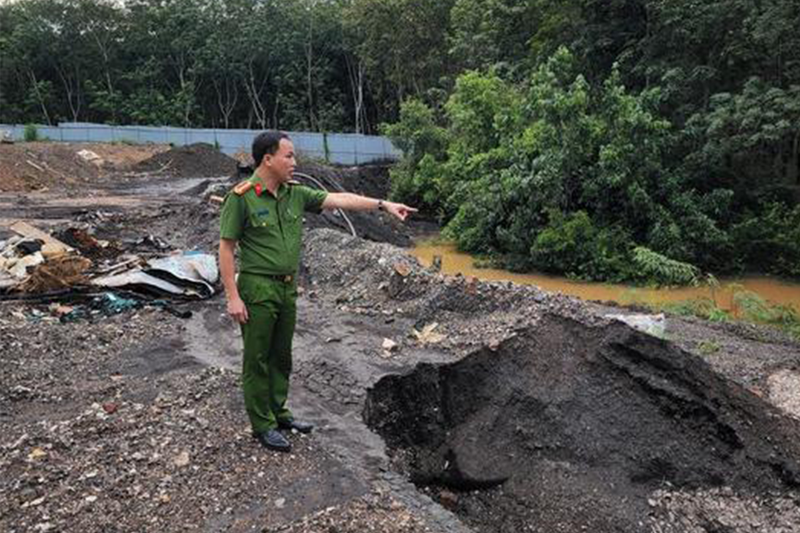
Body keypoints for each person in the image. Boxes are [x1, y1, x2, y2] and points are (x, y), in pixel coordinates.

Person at [219, 131, 416, 452]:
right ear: (267, 159)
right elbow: (226, 249)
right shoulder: (241, 198)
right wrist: (232, 296)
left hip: (286, 287)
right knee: (258, 359)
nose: (294, 163)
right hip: (256, 287)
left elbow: (340, 199)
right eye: (289, 156)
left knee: (282, 355)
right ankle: (262, 425)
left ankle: (279, 412)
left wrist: (383, 205)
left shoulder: (295, 194)